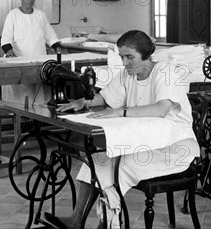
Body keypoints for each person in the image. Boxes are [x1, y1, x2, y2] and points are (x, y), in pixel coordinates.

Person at [45, 30, 200, 229]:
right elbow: (108, 97)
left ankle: (107, 226)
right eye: (121, 57)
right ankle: (76, 220)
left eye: (130, 57)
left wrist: (120, 112)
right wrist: (85, 102)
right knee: (96, 159)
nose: (125, 62)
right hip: (147, 144)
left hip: (175, 149)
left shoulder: (166, 73)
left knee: (121, 165)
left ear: (146, 55)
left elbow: (161, 109)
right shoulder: (128, 75)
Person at [0, 0, 60, 105]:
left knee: (38, 90)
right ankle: (19, 113)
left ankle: (39, 114)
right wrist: (9, 51)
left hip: (39, 58)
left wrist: (56, 46)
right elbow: (6, 37)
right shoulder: (13, 15)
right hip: (20, 58)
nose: (30, 0)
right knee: (22, 91)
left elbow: (49, 33)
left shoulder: (40, 15)